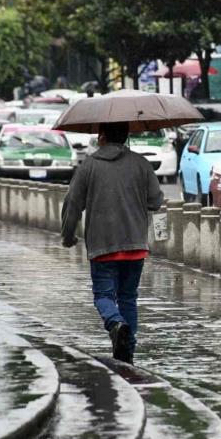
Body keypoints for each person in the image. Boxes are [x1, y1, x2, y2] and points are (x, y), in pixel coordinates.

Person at [61, 121, 163, 364]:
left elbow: (72, 203)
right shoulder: (141, 164)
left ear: (101, 135)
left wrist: (68, 234)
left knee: (104, 296)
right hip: (135, 245)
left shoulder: (89, 166)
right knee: (128, 297)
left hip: (103, 246)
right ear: (127, 136)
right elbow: (155, 202)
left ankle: (115, 323)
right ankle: (128, 349)